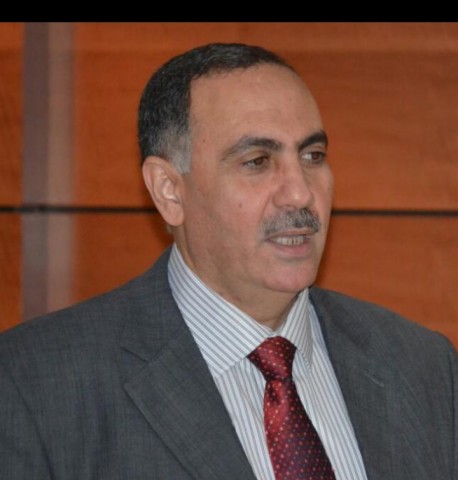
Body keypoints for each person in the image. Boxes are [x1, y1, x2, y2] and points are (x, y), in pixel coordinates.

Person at [0, 43, 456, 480]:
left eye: (313, 156)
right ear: (169, 190)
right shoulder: (34, 385)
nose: (301, 193)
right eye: (257, 161)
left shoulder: (424, 368)